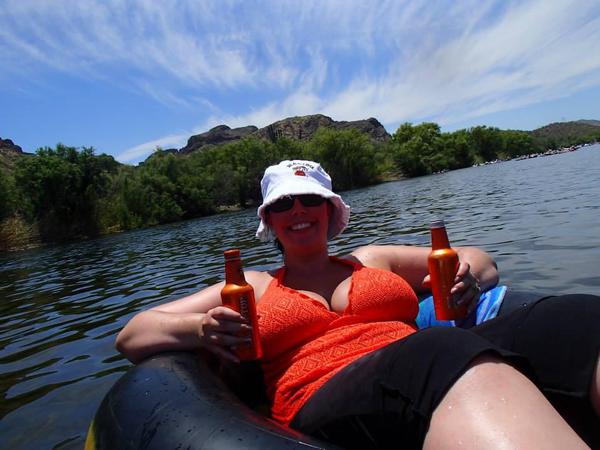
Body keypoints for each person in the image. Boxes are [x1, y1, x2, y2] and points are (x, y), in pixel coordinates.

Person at [116, 160, 600, 449]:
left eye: (309, 199)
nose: (298, 211)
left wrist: (468, 276)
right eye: (284, 205)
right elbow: (133, 333)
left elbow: (477, 258)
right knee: (437, 353)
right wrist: (201, 329)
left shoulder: (373, 258)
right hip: (322, 396)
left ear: (330, 209)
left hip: (419, 359)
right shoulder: (256, 285)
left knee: (571, 318)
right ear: (270, 221)